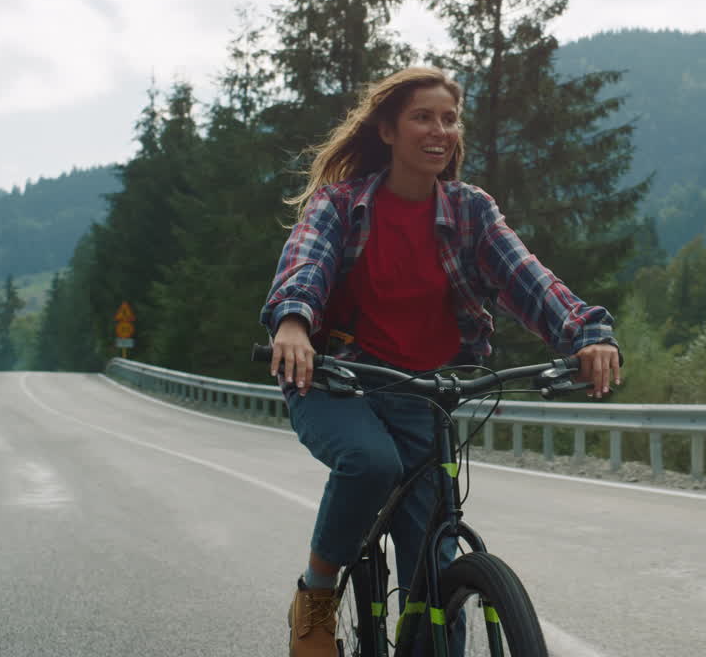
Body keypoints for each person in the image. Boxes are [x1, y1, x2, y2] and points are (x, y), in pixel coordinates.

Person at [260, 66, 623, 657]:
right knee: (371, 463)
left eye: (449, 119)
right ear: (387, 130)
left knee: (433, 567)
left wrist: (587, 334)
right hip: (332, 379)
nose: (440, 130)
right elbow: (307, 265)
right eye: (422, 117)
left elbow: (529, 279)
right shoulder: (341, 204)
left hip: (421, 392)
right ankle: (317, 594)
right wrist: (294, 323)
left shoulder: (470, 211)